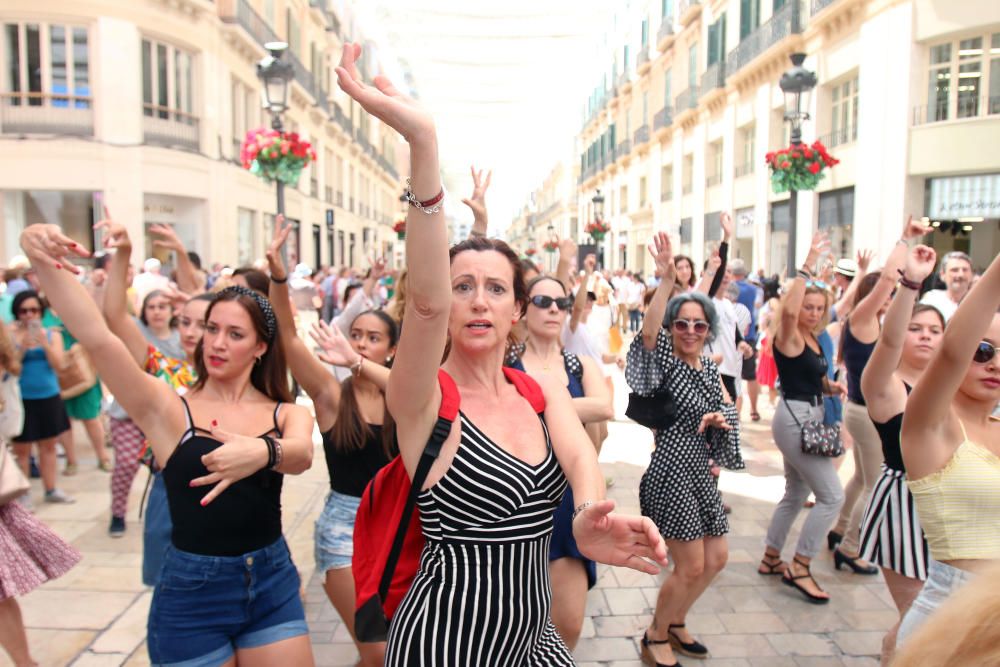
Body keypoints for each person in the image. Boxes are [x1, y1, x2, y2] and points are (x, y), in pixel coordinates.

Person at [333, 41, 667, 665]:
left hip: (534, 640)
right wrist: (424, 149)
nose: (478, 302)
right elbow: (426, 305)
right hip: (445, 642)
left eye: (495, 288)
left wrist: (591, 514)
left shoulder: (537, 392)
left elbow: (578, 458)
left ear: (517, 308)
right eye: (463, 287)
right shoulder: (421, 396)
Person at [20, 223, 317, 666]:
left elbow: (302, 454)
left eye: (235, 335)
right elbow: (99, 337)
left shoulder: (284, 411)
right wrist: (38, 256)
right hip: (192, 594)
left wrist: (260, 452)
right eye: (212, 328)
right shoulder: (167, 405)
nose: (216, 343)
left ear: (260, 347)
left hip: (272, 581)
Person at [267, 215, 395, 665]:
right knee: (377, 650)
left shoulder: (407, 399)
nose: (360, 344)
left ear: (391, 350)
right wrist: (279, 277)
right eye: (354, 335)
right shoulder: (328, 395)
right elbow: (284, 335)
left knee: (392, 651)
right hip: (344, 529)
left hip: (401, 527)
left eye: (372, 338)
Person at [626, 232, 743, 666]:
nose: (690, 331)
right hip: (671, 472)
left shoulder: (711, 372)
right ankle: (654, 634)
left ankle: (676, 621)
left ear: (708, 329)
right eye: (682, 323)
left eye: (699, 324)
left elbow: (731, 417)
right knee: (690, 565)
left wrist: (719, 420)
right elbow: (649, 332)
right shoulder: (666, 365)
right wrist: (665, 280)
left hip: (702, 473)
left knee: (717, 559)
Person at [896, 249, 1000, 646]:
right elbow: (953, 349)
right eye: (984, 351)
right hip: (949, 622)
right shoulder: (931, 425)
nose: (994, 364)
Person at [506, 274, 613, 649]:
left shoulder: (581, 363)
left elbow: (605, 406)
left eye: (561, 303)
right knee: (513, 626)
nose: (554, 309)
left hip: (567, 498)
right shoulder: (502, 362)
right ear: (521, 308)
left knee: (568, 624)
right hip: (512, 500)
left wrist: (534, 404)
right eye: (543, 301)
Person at [830, 218, 929, 575]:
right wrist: (905, 239)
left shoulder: (865, 322)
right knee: (876, 484)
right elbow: (889, 279)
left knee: (859, 478)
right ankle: (851, 548)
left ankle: (840, 528)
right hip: (864, 413)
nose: (889, 298)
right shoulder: (863, 318)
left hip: (858, 409)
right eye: (884, 295)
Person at [858, 244, 941, 663]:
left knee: (936, 617)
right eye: (916, 327)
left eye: (935, 330)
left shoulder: (953, 388)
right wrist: (910, 284)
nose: (925, 335)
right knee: (920, 617)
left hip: (949, 508)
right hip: (904, 507)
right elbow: (887, 343)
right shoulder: (886, 385)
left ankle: (891, 653)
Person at [760, 232, 847, 604]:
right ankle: (800, 566)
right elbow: (791, 312)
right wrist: (807, 266)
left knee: (796, 492)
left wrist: (830, 387)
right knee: (832, 496)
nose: (811, 313)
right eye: (807, 306)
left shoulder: (812, 338)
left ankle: (770, 557)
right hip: (795, 418)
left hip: (804, 413)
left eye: (818, 307)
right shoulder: (789, 335)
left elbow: (808, 376)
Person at [7, 290, 73, 504]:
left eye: (34, 310)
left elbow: (60, 366)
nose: (29, 315)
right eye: (24, 311)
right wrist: (22, 347)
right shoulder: (10, 335)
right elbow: (11, 368)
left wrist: (44, 343)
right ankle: (23, 492)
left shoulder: (52, 334)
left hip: (48, 395)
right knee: (22, 449)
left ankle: (51, 488)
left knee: (49, 446)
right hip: (22, 397)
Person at [919, 250, 973, 321]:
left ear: (971, 274)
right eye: (955, 270)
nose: (961, 274)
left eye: (965, 270)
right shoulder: (931, 300)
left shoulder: (980, 302)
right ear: (942, 275)